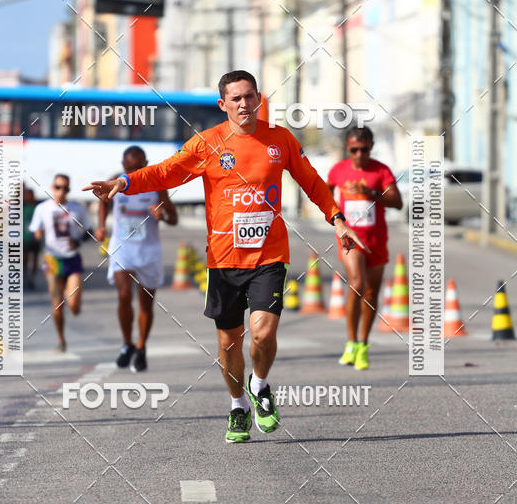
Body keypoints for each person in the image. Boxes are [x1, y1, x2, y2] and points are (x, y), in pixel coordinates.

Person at [85, 70, 366, 443]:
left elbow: (312, 182)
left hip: (269, 255)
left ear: (259, 98)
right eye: (235, 99)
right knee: (228, 342)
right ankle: (238, 406)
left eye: (249, 96)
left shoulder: (279, 139)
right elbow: (167, 172)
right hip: (223, 260)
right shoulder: (207, 144)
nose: (243, 104)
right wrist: (124, 183)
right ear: (223, 105)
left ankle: (260, 385)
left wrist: (338, 219)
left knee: (263, 333)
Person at [95, 146, 178, 372]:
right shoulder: (116, 183)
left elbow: (174, 219)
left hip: (149, 251)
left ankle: (140, 346)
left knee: (145, 303)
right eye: (129, 167)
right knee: (123, 295)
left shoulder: (156, 185)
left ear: (145, 164)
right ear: (123, 165)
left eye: (138, 167)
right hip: (122, 248)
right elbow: (104, 204)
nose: (132, 171)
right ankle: (126, 344)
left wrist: (162, 215)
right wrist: (101, 226)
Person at [328, 125, 402, 370]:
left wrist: (371, 192)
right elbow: (324, 194)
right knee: (357, 283)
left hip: (376, 241)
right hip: (350, 238)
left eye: (364, 149)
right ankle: (350, 341)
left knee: (370, 293)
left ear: (371, 147)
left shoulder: (381, 170)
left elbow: (397, 201)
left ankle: (363, 344)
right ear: (348, 148)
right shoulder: (339, 170)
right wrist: (334, 216)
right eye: (354, 150)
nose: (359, 154)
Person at [29, 173, 89, 352]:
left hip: (72, 259)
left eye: (65, 188)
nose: (61, 191)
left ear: (69, 190)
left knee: (73, 304)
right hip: (52, 260)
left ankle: (74, 305)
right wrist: (37, 236)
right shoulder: (42, 208)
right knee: (57, 304)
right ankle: (61, 340)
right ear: (52, 187)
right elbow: (34, 231)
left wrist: (77, 242)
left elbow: (88, 232)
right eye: (58, 187)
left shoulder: (77, 209)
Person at [23, 186, 41, 290]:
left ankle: (32, 278)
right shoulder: (21, 208)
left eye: (31, 195)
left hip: (35, 238)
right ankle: (25, 275)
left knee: (34, 258)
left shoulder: (37, 208)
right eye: (27, 195)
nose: (29, 197)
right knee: (24, 259)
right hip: (24, 238)